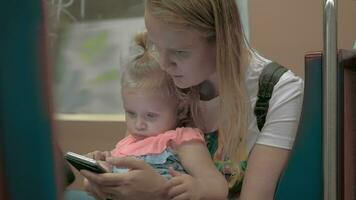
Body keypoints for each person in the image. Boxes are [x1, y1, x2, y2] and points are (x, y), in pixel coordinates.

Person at [81, 0, 304, 199]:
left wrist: (161, 191)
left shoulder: (277, 91)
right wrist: (113, 180)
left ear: (222, 39)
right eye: (156, 45)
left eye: (179, 52)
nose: (164, 65)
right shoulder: (163, 78)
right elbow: (139, 147)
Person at [81, 32, 228, 200]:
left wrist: (198, 189)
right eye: (131, 113)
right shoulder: (129, 141)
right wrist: (101, 169)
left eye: (150, 116)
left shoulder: (181, 140)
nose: (139, 124)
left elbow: (217, 186)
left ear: (180, 109)